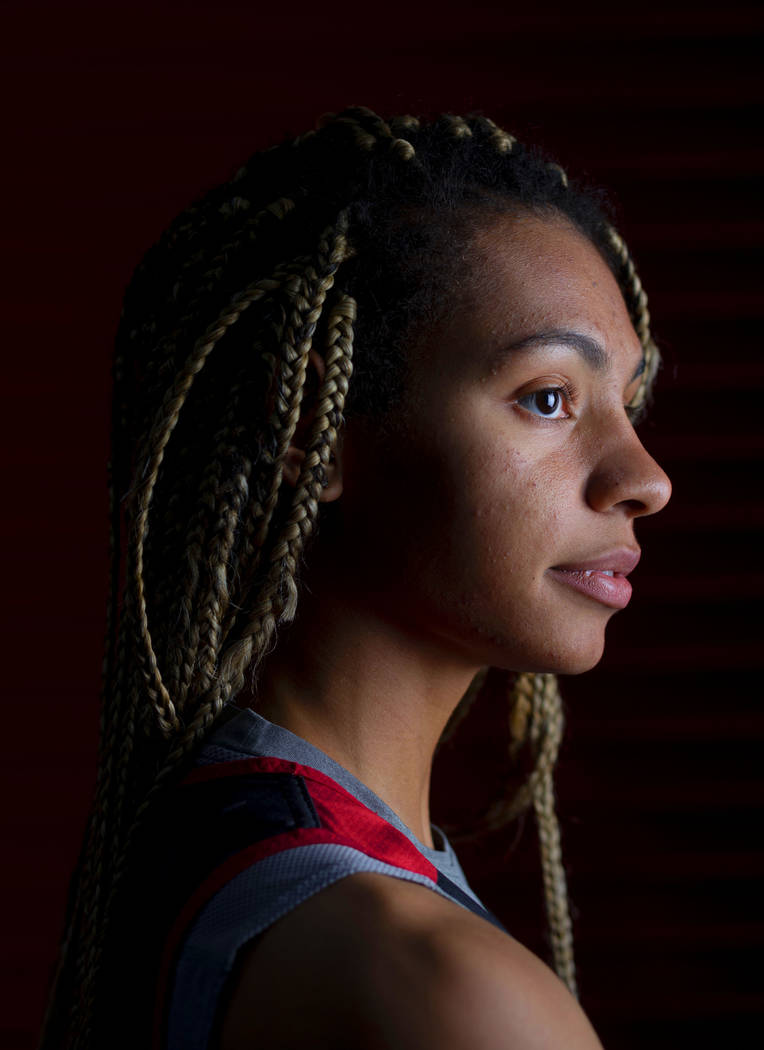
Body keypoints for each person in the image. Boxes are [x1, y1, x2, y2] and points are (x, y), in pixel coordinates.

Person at [40, 106, 671, 1049]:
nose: (646, 480)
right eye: (548, 399)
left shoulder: (195, 858)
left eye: (626, 403)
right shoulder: (441, 993)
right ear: (311, 428)